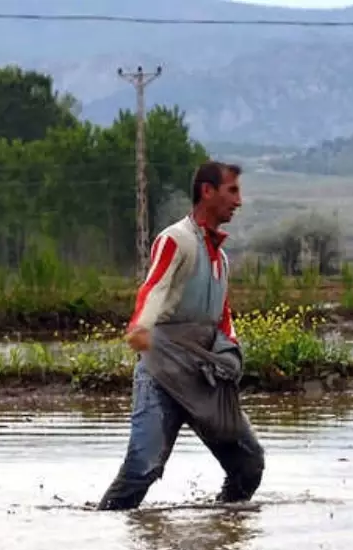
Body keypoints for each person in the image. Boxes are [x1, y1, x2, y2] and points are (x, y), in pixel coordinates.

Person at [96, 161, 265, 511]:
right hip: (161, 374)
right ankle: (104, 524)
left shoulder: (222, 260)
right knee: (142, 467)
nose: (239, 201)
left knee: (248, 463)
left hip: (203, 374)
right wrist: (141, 326)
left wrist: (231, 352)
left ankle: (224, 521)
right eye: (232, 191)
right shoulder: (176, 239)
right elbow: (154, 287)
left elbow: (222, 316)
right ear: (207, 191)